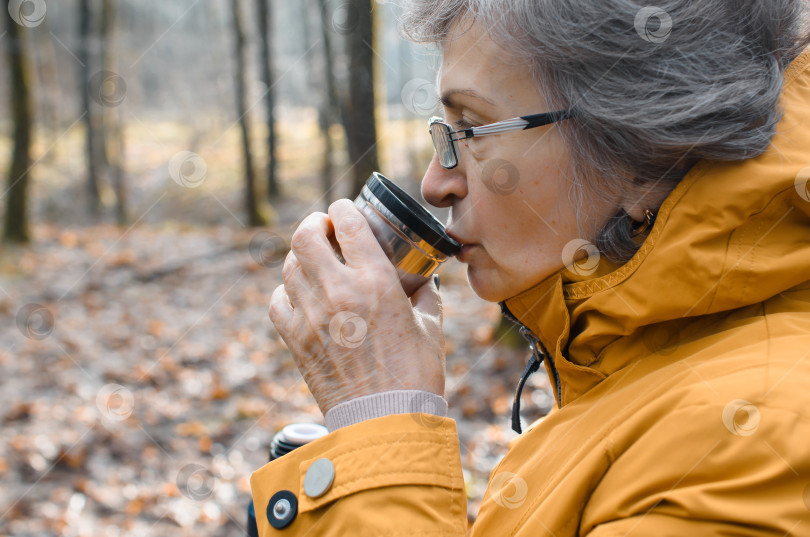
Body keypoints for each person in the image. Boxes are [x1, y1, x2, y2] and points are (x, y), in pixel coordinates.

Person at [252, 0, 810, 534]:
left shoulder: (751, 438)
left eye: (470, 129)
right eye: (443, 132)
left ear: (646, 153)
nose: (435, 184)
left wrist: (380, 421)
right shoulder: (637, 369)